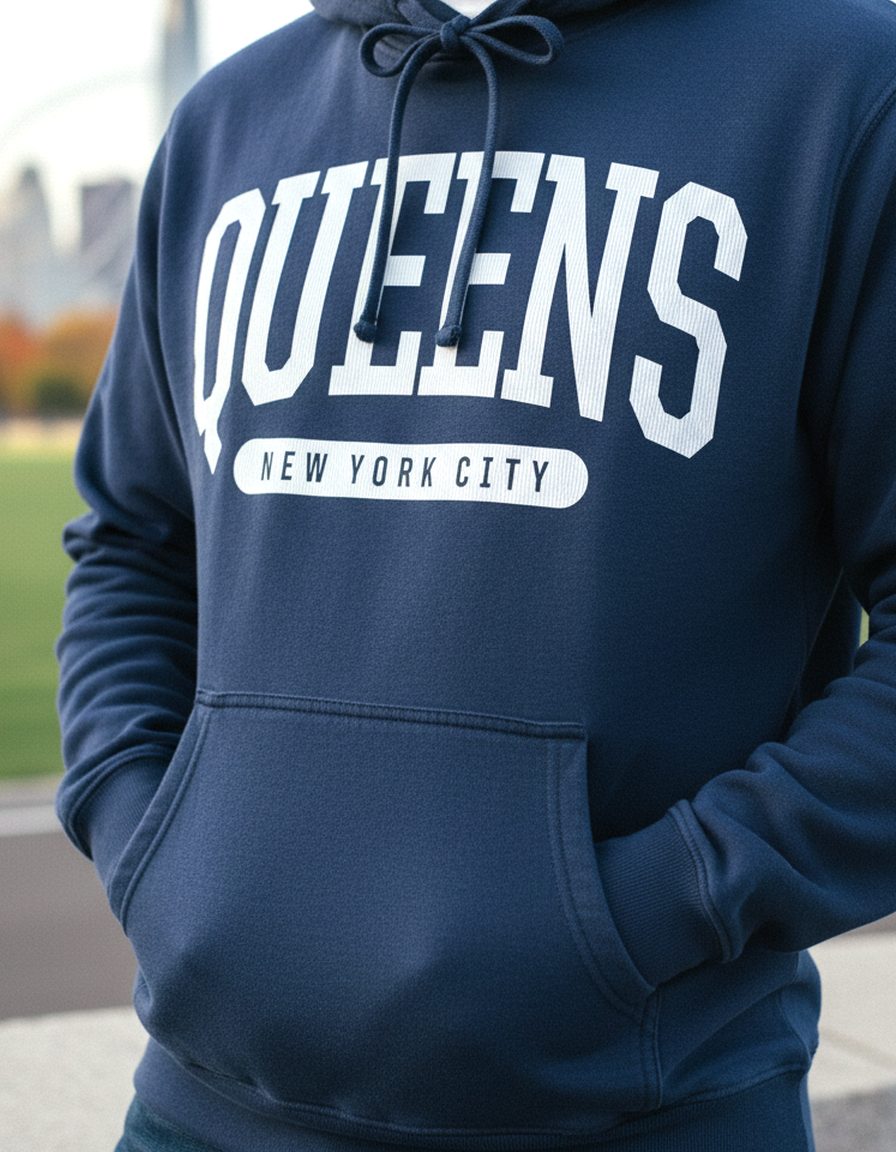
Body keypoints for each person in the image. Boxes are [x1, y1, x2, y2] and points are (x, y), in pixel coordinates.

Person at [54, 0, 896, 1149]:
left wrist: (663, 904)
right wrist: (145, 841)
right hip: (197, 1109)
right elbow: (132, 541)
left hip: (640, 1115)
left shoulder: (844, 86)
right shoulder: (227, 120)